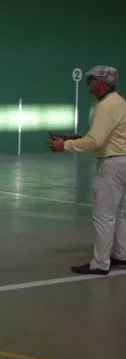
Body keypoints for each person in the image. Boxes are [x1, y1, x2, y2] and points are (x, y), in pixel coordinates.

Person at [47, 65, 126, 275]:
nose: (88, 83)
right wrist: (71, 138)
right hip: (122, 161)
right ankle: (122, 254)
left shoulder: (106, 106)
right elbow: (103, 136)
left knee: (104, 215)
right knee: (119, 213)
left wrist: (64, 146)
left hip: (112, 165)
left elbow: (95, 141)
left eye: (90, 80)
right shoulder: (117, 102)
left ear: (99, 83)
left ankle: (100, 263)